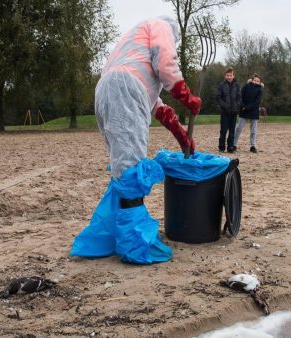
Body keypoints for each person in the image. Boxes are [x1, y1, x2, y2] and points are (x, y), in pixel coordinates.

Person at [70, 16, 201, 264]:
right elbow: (166, 63)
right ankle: (134, 244)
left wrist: (180, 133)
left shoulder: (133, 51)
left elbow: (154, 103)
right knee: (130, 168)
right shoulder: (161, 26)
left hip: (107, 90)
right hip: (125, 89)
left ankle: (116, 234)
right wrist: (186, 95)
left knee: (123, 165)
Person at [233, 73, 263, 153]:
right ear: (252, 80)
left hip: (254, 111)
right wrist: (243, 106)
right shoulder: (246, 86)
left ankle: (252, 146)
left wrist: (247, 107)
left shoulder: (260, 90)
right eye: (255, 80)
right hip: (243, 110)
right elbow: (240, 96)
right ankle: (234, 144)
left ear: (259, 82)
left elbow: (257, 102)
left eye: (258, 81)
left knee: (253, 131)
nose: (256, 82)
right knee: (238, 128)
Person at [215, 67, 241, 153]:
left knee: (232, 131)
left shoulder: (237, 85)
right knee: (223, 130)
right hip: (225, 112)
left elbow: (239, 97)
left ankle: (231, 147)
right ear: (225, 76)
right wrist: (224, 105)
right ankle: (221, 147)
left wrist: (237, 106)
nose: (229, 77)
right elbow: (218, 97)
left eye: (231, 75)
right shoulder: (221, 85)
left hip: (234, 112)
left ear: (233, 76)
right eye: (227, 75)